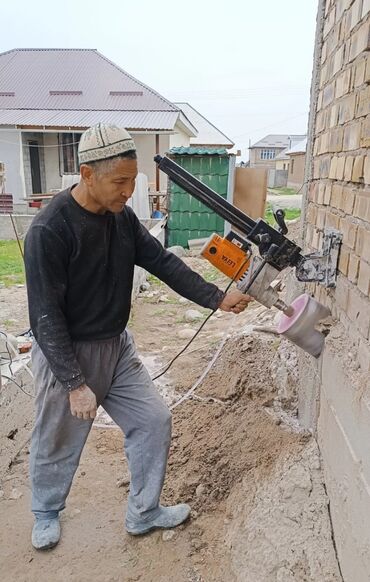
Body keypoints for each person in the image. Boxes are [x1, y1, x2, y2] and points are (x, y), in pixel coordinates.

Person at [24, 123, 251, 551]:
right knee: (58, 435)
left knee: (153, 421)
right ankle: (46, 510)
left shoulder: (122, 218)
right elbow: (44, 315)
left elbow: (162, 262)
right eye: (120, 182)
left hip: (117, 345)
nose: (129, 191)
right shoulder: (49, 230)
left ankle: (144, 512)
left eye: (132, 180)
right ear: (88, 174)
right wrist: (74, 383)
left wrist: (216, 298)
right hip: (67, 352)